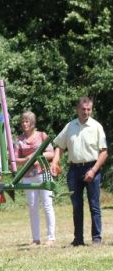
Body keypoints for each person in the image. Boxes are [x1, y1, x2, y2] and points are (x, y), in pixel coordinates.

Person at [51, 97, 108, 246]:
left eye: (89, 109)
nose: (86, 112)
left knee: (94, 206)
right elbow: (60, 146)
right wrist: (56, 161)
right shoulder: (70, 126)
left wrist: (93, 170)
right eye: (83, 109)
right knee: (77, 206)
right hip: (74, 170)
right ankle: (78, 239)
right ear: (78, 109)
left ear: (91, 109)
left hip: (92, 168)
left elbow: (104, 152)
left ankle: (96, 238)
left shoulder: (96, 127)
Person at [15, 111, 55, 246]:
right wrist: (26, 159)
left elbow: (51, 153)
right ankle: (36, 239)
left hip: (44, 174)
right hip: (27, 177)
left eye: (27, 121)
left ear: (32, 123)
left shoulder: (42, 136)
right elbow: (14, 160)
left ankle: (51, 237)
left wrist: (38, 157)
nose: (24, 124)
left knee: (47, 205)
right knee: (33, 208)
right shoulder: (19, 140)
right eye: (23, 121)